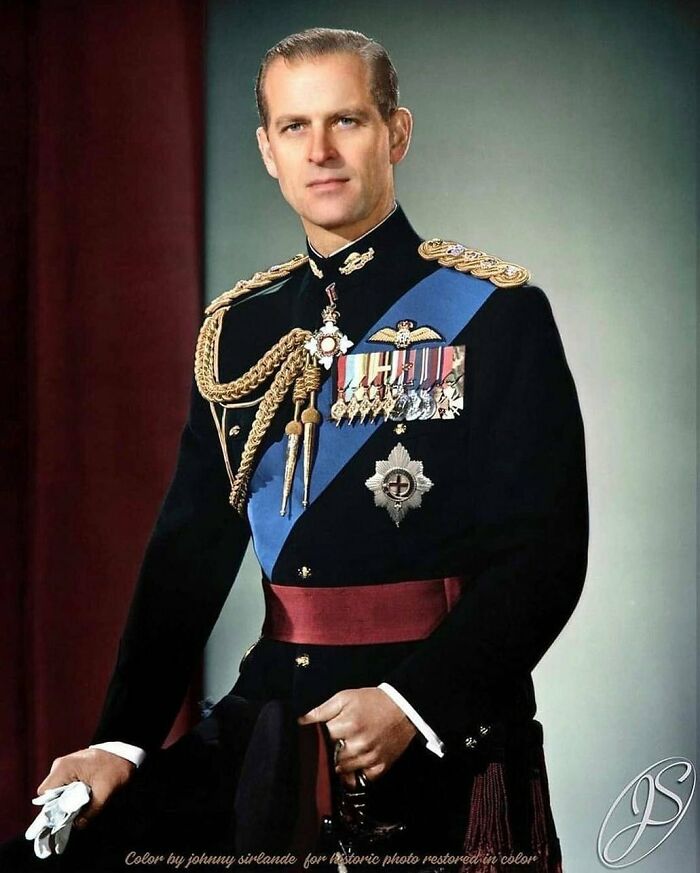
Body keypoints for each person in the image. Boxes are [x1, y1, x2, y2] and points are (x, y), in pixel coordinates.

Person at [4, 27, 588, 873]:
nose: (320, 151)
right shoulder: (237, 329)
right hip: (272, 715)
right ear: (267, 151)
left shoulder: (496, 316)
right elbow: (187, 557)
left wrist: (412, 702)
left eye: (346, 121)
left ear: (397, 132)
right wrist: (122, 744)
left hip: (429, 734)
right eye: (292, 127)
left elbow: (547, 557)